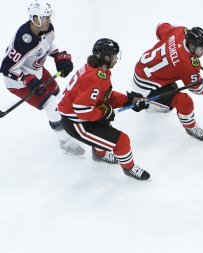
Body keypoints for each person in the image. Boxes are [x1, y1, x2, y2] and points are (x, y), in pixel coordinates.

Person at [57, 38, 151, 181]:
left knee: (104, 127)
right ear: (106, 57)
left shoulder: (97, 70)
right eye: (114, 56)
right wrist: (104, 113)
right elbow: (82, 109)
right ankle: (129, 169)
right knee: (122, 141)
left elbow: (103, 96)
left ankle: (100, 154)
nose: (116, 59)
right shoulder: (95, 76)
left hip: (81, 117)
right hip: (77, 123)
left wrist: (129, 100)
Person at [0, 0, 85, 156]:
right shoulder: (23, 41)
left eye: (48, 17)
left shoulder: (48, 29)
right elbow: (6, 68)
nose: (48, 21)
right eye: (44, 18)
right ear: (35, 18)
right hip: (18, 81)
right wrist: (28, 80)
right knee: (52, 106)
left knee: (60, 97)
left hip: (37, 70)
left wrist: (59, 57)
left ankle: (66, 123)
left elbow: (47, 44)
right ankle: (64, 142)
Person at [131, 23, 203, 142]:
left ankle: (154, 101)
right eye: (202, 48)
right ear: (191, 46)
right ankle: (190, 128)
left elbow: (160, 28)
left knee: (173, 89)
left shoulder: (180, 31)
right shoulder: (187, 65)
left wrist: (171, 51)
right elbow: (197, 88)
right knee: (183, 102)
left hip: (141, 70)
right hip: (147, 86)